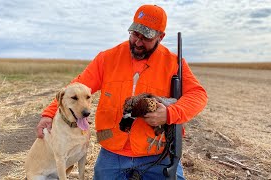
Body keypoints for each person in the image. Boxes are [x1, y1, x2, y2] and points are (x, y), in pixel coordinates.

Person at [36, 4, 207, 180]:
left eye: (146, 38)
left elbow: (198, 94)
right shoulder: (107, 58)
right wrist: (49, 114)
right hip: (112, 151)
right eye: (135, 34)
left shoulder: (173, 63)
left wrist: (169, 114)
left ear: (160, 37)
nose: (138, 42)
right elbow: (76, 87)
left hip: (157, 153)